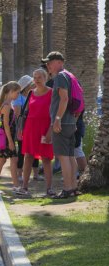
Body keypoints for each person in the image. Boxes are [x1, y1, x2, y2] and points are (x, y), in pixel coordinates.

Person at [43, 51, 78, 199]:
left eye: (50, 62)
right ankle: (73, 188)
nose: (48, 65)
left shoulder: (60, 77)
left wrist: (57, 119)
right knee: (70, 156)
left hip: (62, 122)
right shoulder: (69, 75)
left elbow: (64, 99)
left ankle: (67, 188)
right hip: (70, 121)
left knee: (63, 157)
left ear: (59, 62)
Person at [18, 69, 55, 196]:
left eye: (40, 77)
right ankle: (24, 187)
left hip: (45, 127)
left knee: (46, 158)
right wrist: (21, 129)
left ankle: (49, 188)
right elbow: (26, 112)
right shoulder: (30, 93)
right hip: (30, 127)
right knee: (28, 156)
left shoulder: (52, 92)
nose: (37, 80)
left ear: (45, 78)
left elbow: (54, 114)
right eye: (35, 77)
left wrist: (50, 130)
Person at [0, 81, 21, 194]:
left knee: (4, 161)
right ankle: (16, 186)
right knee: (11, 160)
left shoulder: (7, 104)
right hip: (7, 138)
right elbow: (6, 125)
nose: (18, 95)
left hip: (8, 137)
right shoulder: (7, 106)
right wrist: (11, 141)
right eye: (17, 93)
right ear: (11, 92)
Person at [13, 75, 42, 182]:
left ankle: (36, 173)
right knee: (21, 150)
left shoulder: (35, 95)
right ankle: (19, 174)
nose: (34, 84)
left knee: (35, 149)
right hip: (23, 126)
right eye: (31, 83)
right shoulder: (19, 98)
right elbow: (17, 114)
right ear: (26, 86)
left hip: (34, 125)